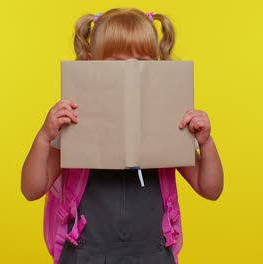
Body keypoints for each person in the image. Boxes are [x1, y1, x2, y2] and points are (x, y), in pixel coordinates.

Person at [21, 8, 224, 264]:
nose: (130, 72)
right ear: (92, 65)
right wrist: (43, 137)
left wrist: (206, 143)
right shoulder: (74, 122)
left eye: (142, 63)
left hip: (153, 255)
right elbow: (31, 189)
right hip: (86, 255)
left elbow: (210, 189)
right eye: (116, 63)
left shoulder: (168, 123)